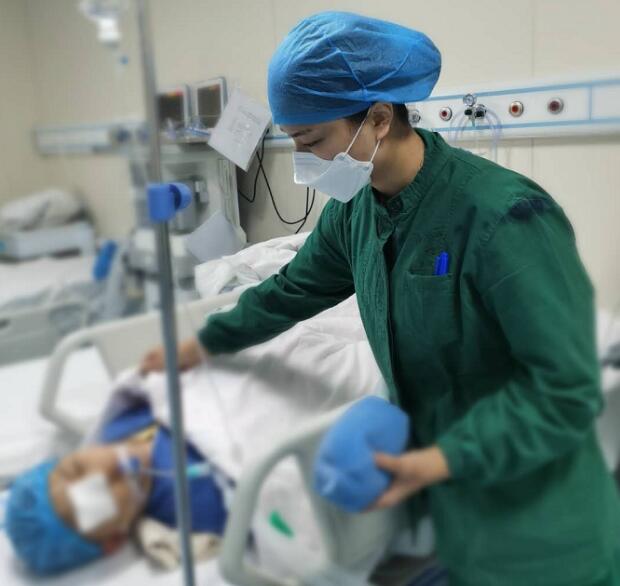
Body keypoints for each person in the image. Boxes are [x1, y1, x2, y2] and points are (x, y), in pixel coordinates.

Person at [141, 11, 620, 586]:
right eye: (293, 142)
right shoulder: (355, 212)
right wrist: (206, 341)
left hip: (545, 525)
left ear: (378, 118)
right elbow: (293, 289)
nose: (305, 162)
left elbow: (566, 389)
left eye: (313, 141)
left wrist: (438, 460)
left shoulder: (505, 217)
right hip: (456, 517)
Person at [5, 395, 228, 575]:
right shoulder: (195, 504)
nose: (102, 473)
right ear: (114, 540)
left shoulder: (119, 423)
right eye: (93, 499)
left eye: (78, 468)